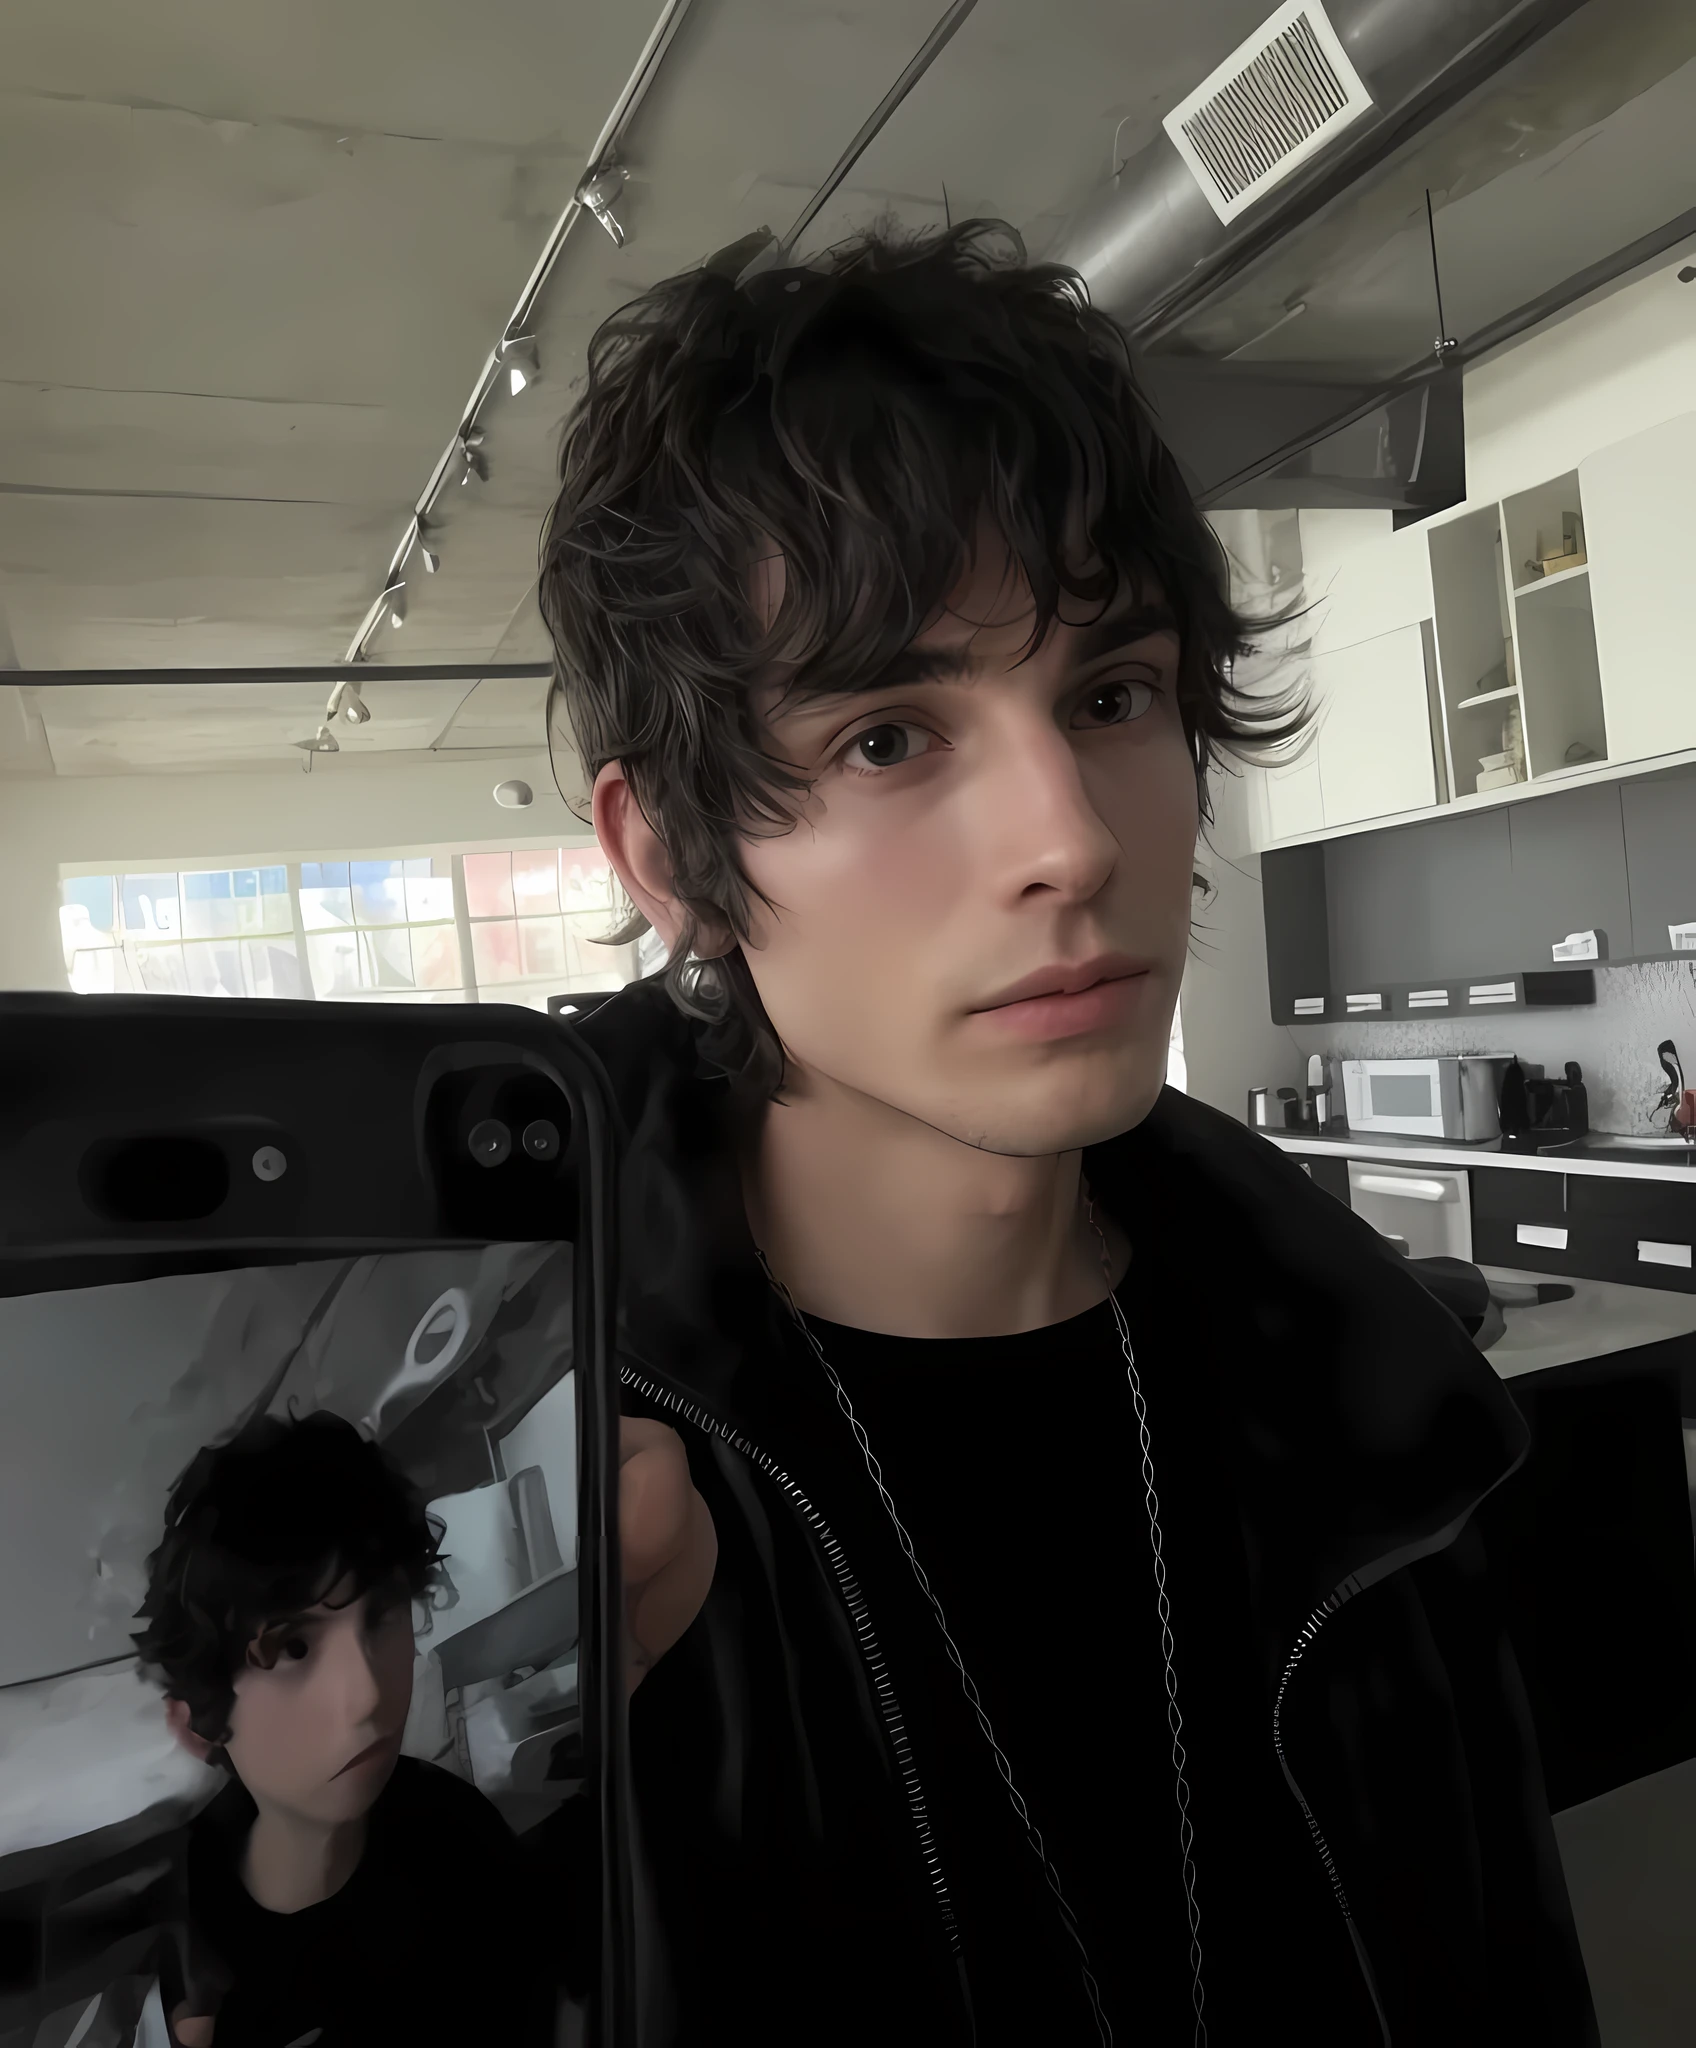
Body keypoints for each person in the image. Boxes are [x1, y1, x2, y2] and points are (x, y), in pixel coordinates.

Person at [541, 216, 1601, 2044]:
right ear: (667, 858)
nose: (1077, 839)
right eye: (887, 736)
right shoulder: (554, 1488)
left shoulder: (1373, 1407)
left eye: (1111, 696)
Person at [132, 1411, 557, 2047]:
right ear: (199, 1724)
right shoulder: (191, 1890)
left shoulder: (462, 1851)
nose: (366, 1693)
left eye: (382, 1614)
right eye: (293, 1647)